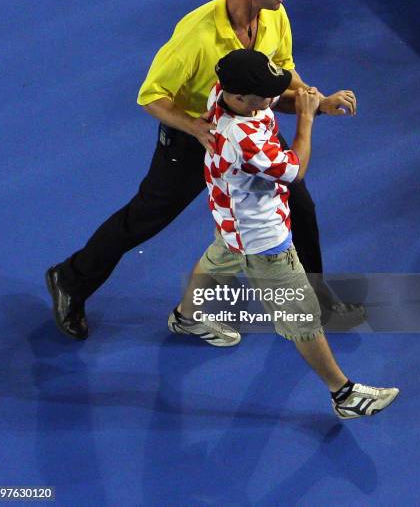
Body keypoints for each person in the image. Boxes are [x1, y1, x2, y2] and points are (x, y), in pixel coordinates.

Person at [46, 0, 363, 341]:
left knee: (300, 204)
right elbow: (151, 95)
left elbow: (282, 72)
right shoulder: (196, 34)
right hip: (195, 138)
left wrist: (316, 101)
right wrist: (195, 128)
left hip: (251, 127)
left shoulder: (275, 16)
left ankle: (315, 297)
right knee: (145, 218)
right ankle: (70, 279)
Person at [168, 48, 398, 419]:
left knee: (217, 258)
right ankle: (344, 395)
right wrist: (308, 119)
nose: (271, 97)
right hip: (263, 242)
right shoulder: (242, 137)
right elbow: (295, 170)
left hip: (231, 220)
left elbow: (279, 96)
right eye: (264, 92)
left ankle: (187, 316)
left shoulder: (224, 94)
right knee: (303, 318)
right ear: (241, 96)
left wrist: (321, 102)